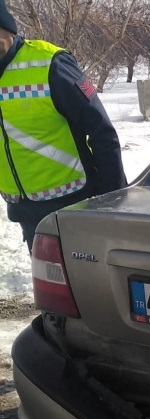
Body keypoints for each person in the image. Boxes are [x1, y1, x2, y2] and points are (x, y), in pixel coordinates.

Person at [0, 0, 126, 252]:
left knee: (88, 285)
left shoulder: (50, 64)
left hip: (74, 205)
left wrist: (114, 201)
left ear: (8, 29)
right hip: (26, 212)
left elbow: (102, 132)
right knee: (51, 287)